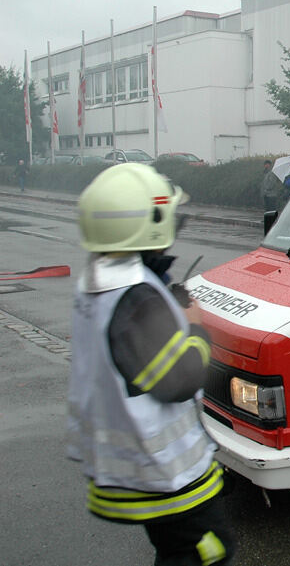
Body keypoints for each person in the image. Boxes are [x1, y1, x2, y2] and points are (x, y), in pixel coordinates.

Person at [67, 163, 235, 565]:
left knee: (182, 550)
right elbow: (177, 379)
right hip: (160, 472)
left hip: (137, 466)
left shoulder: (106, 277)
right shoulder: (134, 298)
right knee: (208, 552)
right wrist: (195, 330)